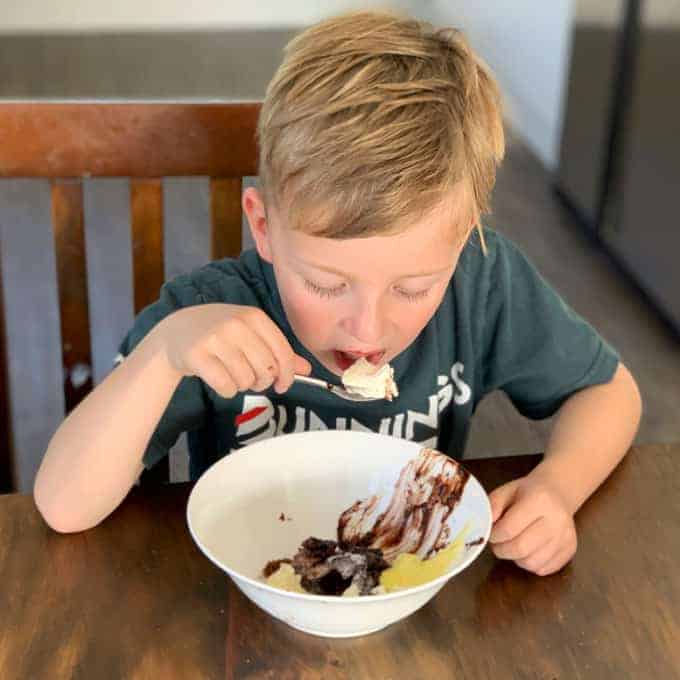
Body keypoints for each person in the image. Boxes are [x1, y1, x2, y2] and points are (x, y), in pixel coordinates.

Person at [33, 10, 641, 577]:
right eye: (325, 283)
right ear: (265, 226)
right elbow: (63, 505)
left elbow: (609, 393)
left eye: (413, 287)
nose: (367, 330)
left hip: (406, 584)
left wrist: (558, 487)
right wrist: (164, 354)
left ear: (462, 245)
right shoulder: (203, 323)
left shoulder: (481, 285)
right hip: (245, 590)